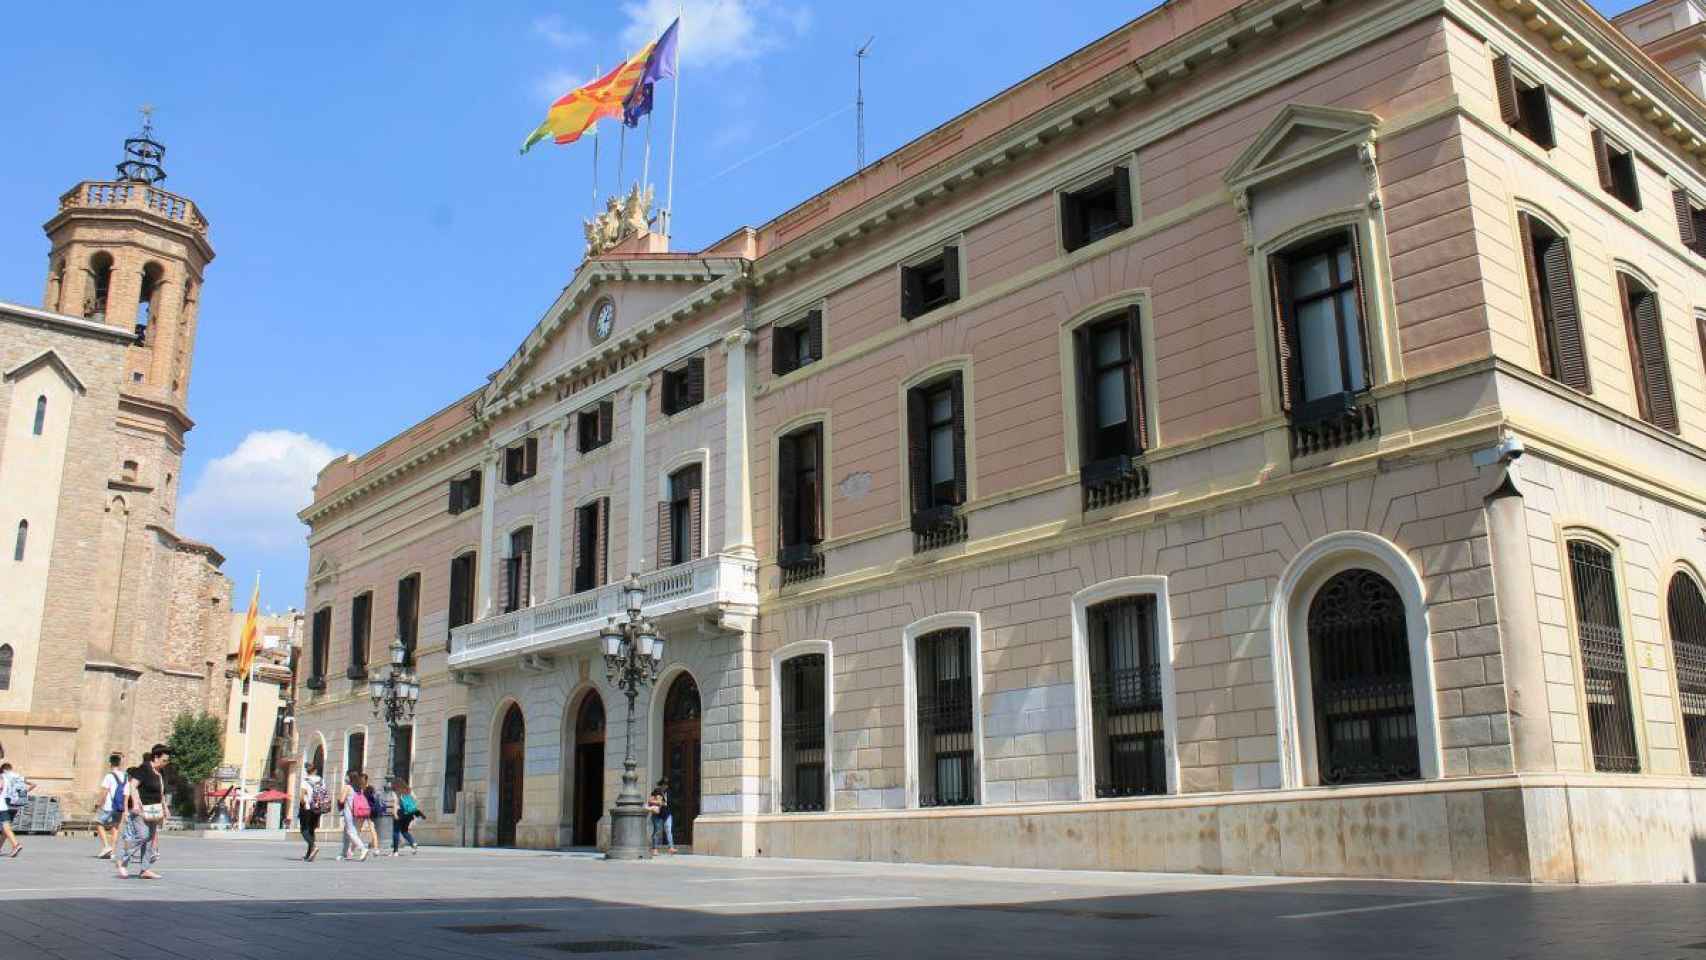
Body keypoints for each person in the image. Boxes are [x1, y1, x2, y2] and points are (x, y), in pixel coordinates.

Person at [117, 746, 169, 880]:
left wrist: (165, 807)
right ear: (156, 757)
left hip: (154, 810)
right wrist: (135, 803)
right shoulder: (144, 769)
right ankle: (122, 860)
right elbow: (132, 786)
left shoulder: (160, 772)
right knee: (143, 835)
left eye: (167, 761)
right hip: (141, 809)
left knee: (150, 838)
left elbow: (160, 792)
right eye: (164, 760)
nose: (165, 763)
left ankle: (145, 869)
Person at [0, 762, 36, 858]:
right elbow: (34, 784)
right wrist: (24, 792)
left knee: (5, 826)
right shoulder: (18, 776)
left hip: (6, 803)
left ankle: (15, 845)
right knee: (5, 826)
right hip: (16, 804)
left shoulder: (3, 776)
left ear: (3, 769)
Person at [94, 754, 127, 859]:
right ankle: (112, 851)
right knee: (115, 827)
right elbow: (126, 793)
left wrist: (98, 804)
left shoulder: (109, 776)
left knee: (99, 824)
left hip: (109, 806)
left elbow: (104, 792)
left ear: (110, 763)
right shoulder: (125, 776)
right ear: (120, 763)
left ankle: (106, 846)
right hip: (119, 806)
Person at [337, 771, 369, 862]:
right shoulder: (358, 788)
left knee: (351, 832)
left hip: (349, 812)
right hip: (357, 812)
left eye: (346, 776)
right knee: (346, 833)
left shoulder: (347, 787)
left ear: (349, 777)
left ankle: (363, 848)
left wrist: (339, 799)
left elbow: (342, 800)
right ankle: (344, 853)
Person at [298, 765, 328, 862]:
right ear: (315, 770)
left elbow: (302, 796)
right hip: (318, 807)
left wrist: (303, 805)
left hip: (307, 808)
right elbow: (324, 792)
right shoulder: (321, 780)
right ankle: (309, 854)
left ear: (307, 771)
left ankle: (314, 847)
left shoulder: (305, 781)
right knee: (311, 830)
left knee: (304, 830)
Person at [389, 779, 422, 855]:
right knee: (404, 831)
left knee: (396, 831)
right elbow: (416, 799)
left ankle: (395, 851)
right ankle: (413, 843)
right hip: (409, 813)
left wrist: (395, 814)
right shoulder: (409, 790)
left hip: (400, 812)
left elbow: (395, 803)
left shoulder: (395, 791)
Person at [647, 779, 675, 856]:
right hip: (657, 814)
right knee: (657, 831)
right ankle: (654, 849)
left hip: (667, 814)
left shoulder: (669, 792)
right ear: (661, 784)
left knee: (668, 830)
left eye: (667, 784)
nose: (666, 786)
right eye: (664, 784)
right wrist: (661, 803)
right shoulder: (656, 791)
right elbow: (649, 801)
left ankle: (671, 848)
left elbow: (670, 802)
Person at [359, 776, 383, 853]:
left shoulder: (361, 789)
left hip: (364, 811)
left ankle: (351, 850)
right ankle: (376, 849)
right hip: (370, 811)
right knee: (372, 830)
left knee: (357, 830)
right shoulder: (371, 788)